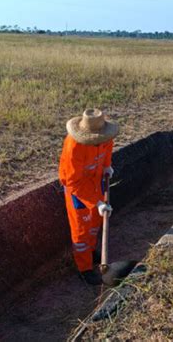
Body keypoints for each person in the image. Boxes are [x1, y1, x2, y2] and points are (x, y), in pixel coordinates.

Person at [59, 109, 119, 285]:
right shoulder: (74, 147)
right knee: (81, 231)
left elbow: (107, 152)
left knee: (94, 222)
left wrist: (107, 167)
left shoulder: (106, 136)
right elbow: (72, 182)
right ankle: (84, 268)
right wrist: (97, 202)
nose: (99, 142)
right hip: (78, 189)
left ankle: (91, 251)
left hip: (97, 181)